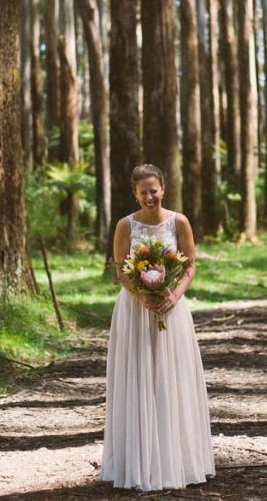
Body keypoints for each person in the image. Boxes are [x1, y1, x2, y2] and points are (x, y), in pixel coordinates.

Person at [100, 164, 215, 491]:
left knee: (171, 377)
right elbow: (121, 270)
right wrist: (141, 297)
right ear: (135, 194)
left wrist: (173, 296)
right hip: (134, 310)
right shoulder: (125, 225)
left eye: (154, 190)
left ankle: (178, 461)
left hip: (171, 307)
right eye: (143, 192)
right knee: (139, 375)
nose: (149, 197)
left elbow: (189, 265)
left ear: (163, 189)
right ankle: (138, 463)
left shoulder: (179, 222)